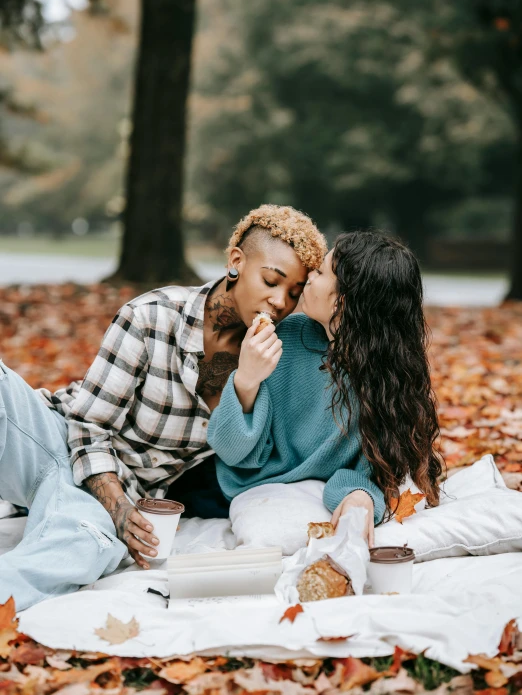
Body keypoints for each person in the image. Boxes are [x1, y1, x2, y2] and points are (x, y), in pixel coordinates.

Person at [0, 205, 326, 608]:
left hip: (115, 493)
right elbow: (85, 423)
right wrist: (116, 506)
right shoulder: (153, 316)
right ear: (237, 262)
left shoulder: (270, 358)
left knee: (83, 550)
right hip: (50, 437)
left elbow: (247, 451)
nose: (279, 301)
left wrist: (250, 380)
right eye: (271, 281)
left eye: (294, 292)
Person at [207, 231, 444, 546]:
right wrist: (246, 379)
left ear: (341, 301)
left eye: (319, 272)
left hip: (301, 495)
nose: (307, 279)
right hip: (233, 487)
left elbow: (371, 470)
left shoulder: (385, 381)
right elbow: (232, 452)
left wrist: (358, 495)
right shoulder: (284, 337)